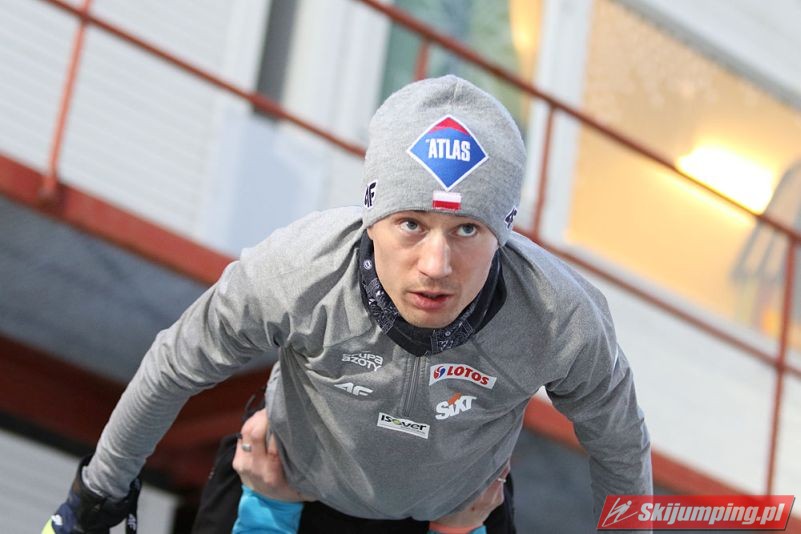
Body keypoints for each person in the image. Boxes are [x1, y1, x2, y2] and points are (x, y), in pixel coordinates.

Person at [44, 75, 652, 534]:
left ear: (505, 233)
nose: (436, 265)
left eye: (467, 230)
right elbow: (176, 364)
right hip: (287, 494)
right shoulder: (298, 270)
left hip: (454, 518)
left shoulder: (558, 316)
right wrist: (98, 494)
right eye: (411, 224)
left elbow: (620, 442)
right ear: (371, 218)